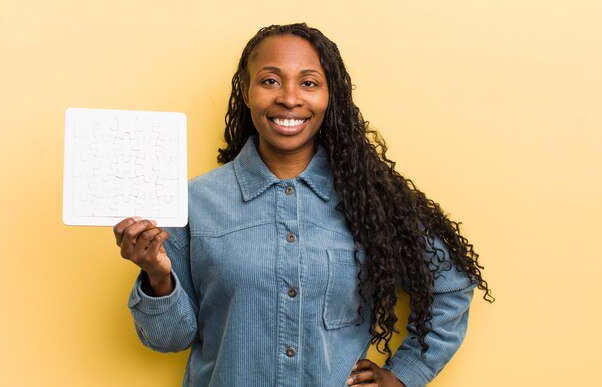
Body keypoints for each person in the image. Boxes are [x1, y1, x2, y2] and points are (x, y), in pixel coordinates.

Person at [113, 23, 492, 387]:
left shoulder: (372, 202)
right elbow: (169, 339)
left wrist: (404, 373)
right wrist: (157, 276)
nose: (290, 98)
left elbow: (451, 284)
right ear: (246, 91)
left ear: (330, 96)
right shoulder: (193, 203)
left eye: (309, 83)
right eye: (270, 81)